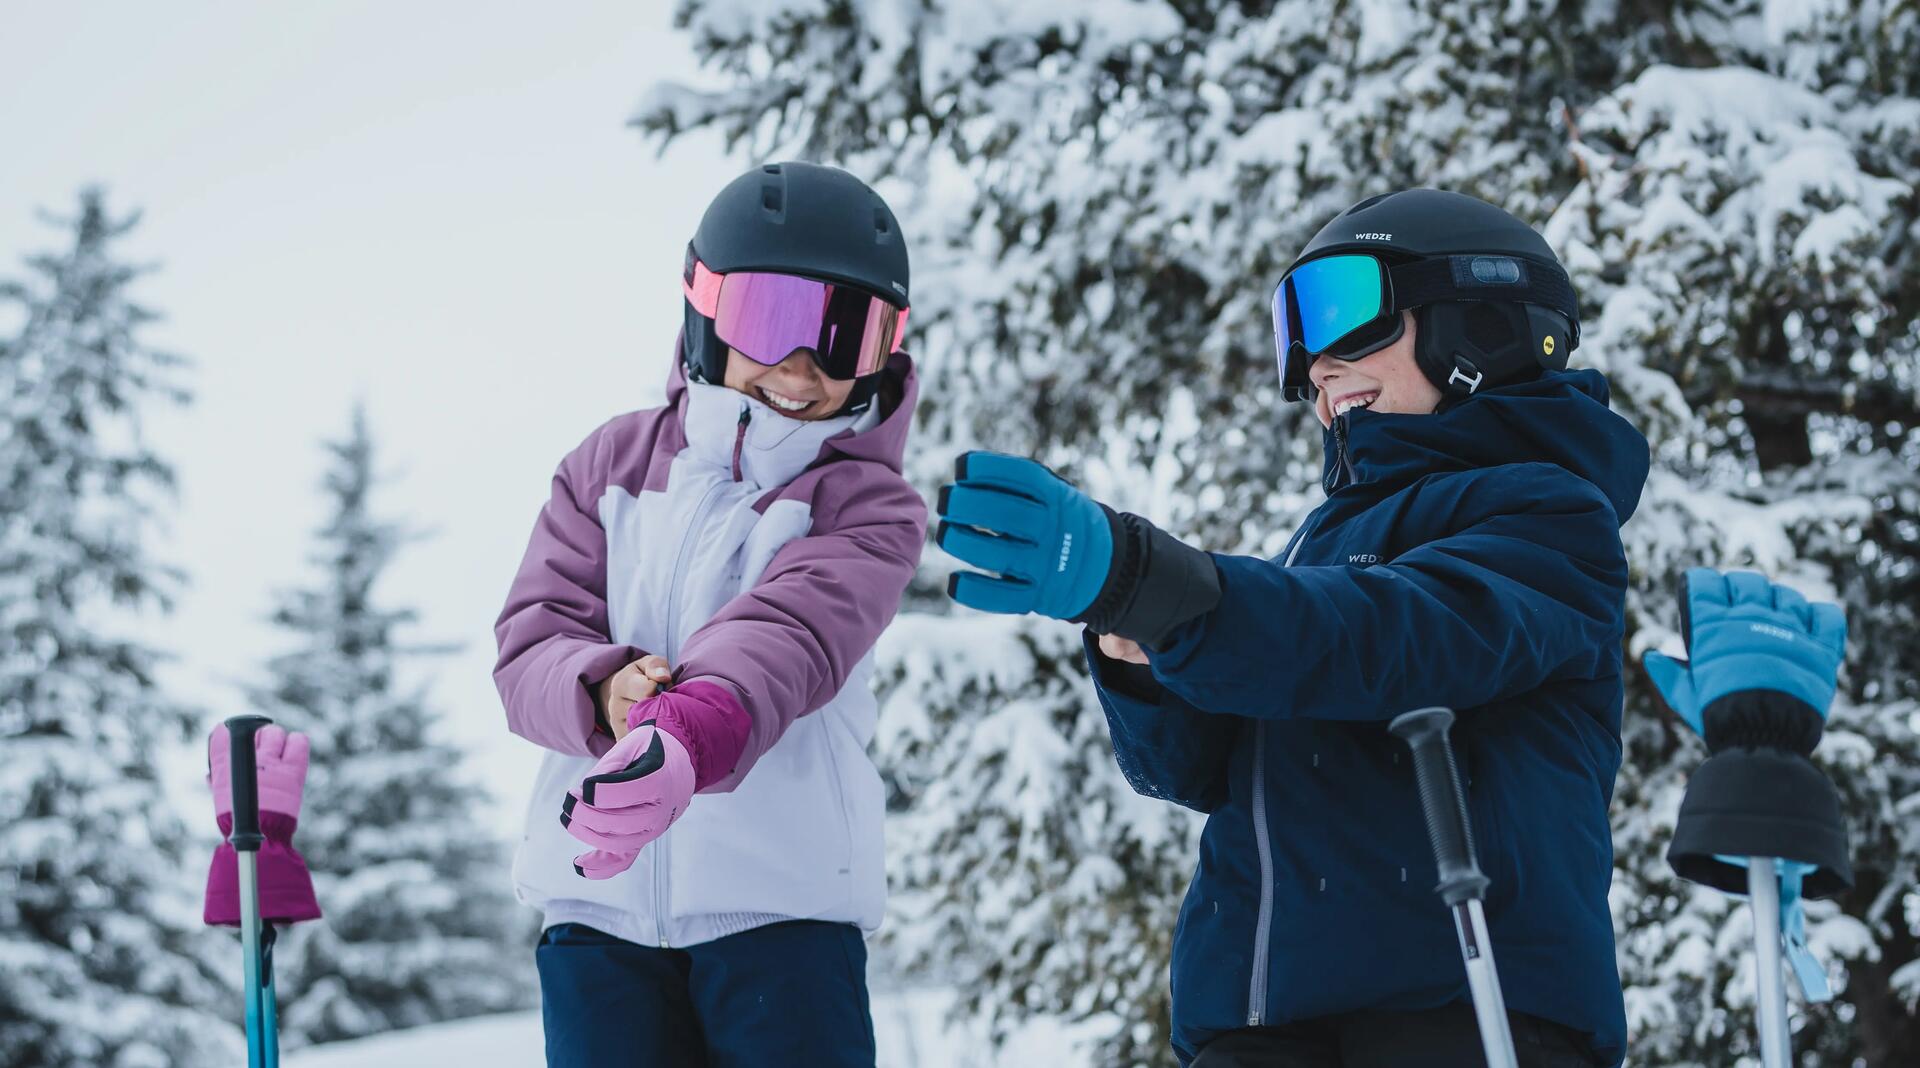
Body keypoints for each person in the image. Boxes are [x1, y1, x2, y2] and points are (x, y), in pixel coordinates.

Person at [935, 189, 1650, 1067]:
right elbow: (1198, 766)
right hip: (1261, 1024)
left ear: (1482, 326)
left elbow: (1393, 642)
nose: (1313, 363)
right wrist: (1135, 642)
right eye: (1297, 332)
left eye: (1347, 315)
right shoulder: (1315, 546)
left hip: (1458, 1014)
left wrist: (1150, 580)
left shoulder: (1550, 516)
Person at [493, 161, 925, 1068]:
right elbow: (533, 636)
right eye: (773, 322)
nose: (803, 370)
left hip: (781, 918)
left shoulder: (868, 505)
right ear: (706, 312)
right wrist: (604, 690)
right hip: (597, 921)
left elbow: (791, 634)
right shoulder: (607, 465)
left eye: (846, 337)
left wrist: (686, 729)